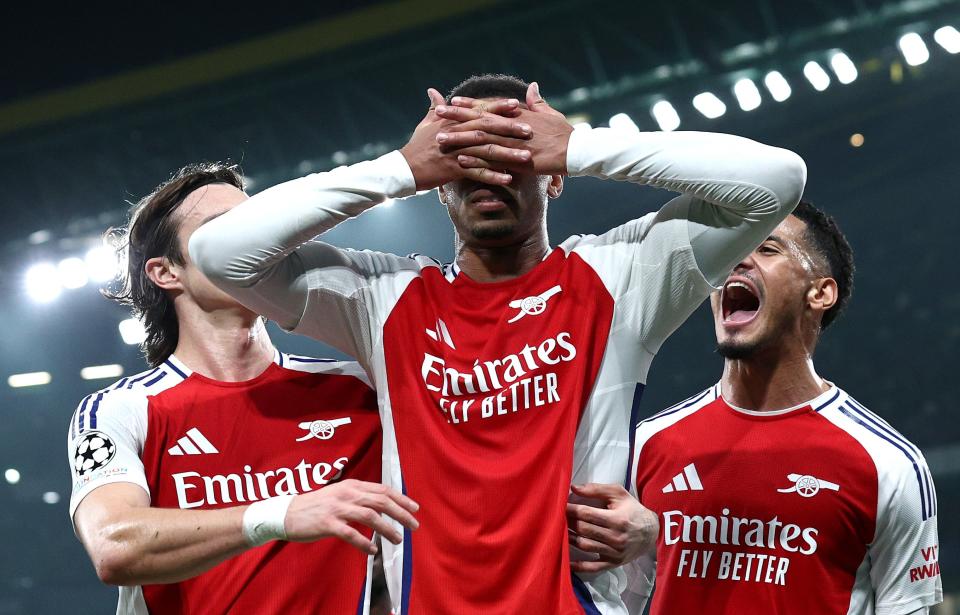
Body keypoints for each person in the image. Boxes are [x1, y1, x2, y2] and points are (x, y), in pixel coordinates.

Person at [189, 74, 807, 614]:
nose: (487, 176)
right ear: (438, 182)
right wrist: (399, 168)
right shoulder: (382, 300)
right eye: (463, 159)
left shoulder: (623, 276)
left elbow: (776, 179)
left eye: (512, 155)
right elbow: (220, 254)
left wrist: (576, 145)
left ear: (551, 178)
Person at [67, 163, 418, 615]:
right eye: (225, 232)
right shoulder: (121, 409)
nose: (254, 244)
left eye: (256, 228)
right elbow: (114, 544)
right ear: (165, 272)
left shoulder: (360, 390)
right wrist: (281, 515)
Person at [625, 201, 942, 614]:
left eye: (767, 249)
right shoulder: (649, 443)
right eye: (731, 248)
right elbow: (617, 599)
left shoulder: (890, 465)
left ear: (820, 292)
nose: (738, 259)